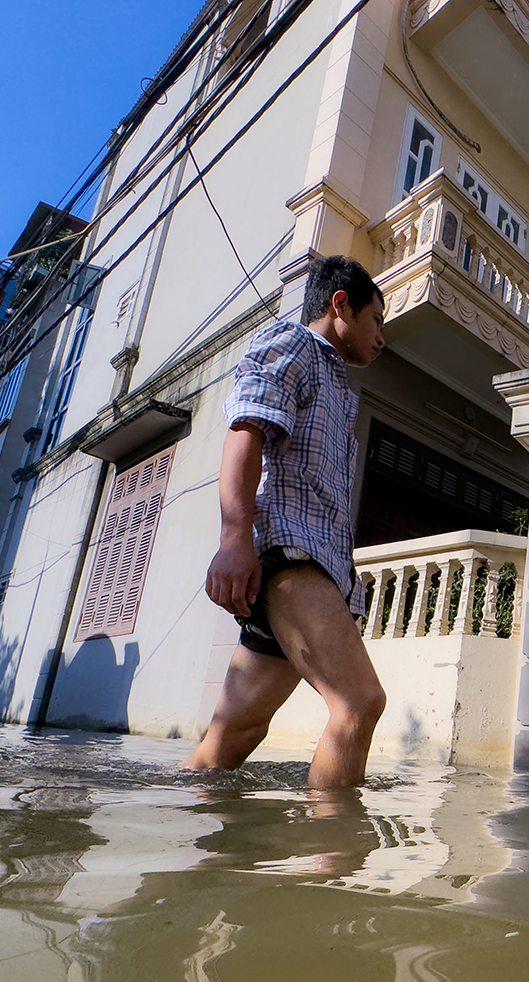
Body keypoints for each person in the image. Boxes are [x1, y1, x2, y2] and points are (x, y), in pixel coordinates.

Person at [183, 255, 387, 788]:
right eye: (377, 320)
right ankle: (331, 863)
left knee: (233, 738)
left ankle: (172, 829)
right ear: (340, 305)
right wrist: (233, 540)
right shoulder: (293, 344)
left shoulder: (340, 388)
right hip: (290, 559)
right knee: (360, 702)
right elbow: (244, 431)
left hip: (313, 567)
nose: (382, 337)